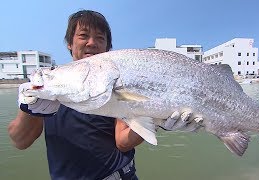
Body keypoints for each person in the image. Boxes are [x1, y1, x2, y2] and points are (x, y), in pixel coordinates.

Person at [8, 10, 203, 180]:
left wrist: (156, 119)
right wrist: (29, 109)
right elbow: (20, 141)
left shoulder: (117, 81)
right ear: (69, 43)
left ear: (108, 48)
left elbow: (123, 142)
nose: (92, 43)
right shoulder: (53, 83)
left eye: (100, 38)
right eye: (83, 36)